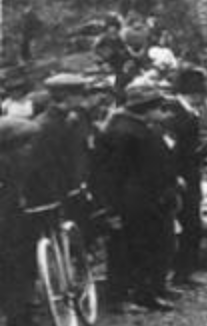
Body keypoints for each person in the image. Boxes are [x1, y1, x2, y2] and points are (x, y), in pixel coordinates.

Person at [91, 82, 178, 312]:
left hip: (148, 199)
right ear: (146, 107)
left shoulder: (142, 127)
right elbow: (112, 174)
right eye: (157, 106)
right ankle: (118, 298)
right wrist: (111, 209)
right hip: (130, 202)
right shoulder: (123, 131)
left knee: (147, 249)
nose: (161, 111)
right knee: (124, 251)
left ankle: (145, 294)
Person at [163, 67, 207, 287]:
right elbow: (169, 151)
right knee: (183, 225)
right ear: (195, 93)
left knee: (191, 225)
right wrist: (174, 175)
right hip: (180, 178)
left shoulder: (189, 113)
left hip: (190, 175)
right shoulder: (174, 114)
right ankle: (177, 272)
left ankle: (185, 271)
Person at [0, 118, 43, 326]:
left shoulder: (19, 165)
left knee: (22, 270)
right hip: (7, 229)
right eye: (25, 144)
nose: (29, 148)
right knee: (11, 272)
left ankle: (22, 312)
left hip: (19, 226)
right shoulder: (5, 166)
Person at [25, 74, 93, 207]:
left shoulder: (80, 114)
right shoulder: (43, 126)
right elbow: (45, 165)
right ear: (67, 96)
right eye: (80, 94)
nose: (83, 98)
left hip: (84, 184)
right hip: (63, 192)